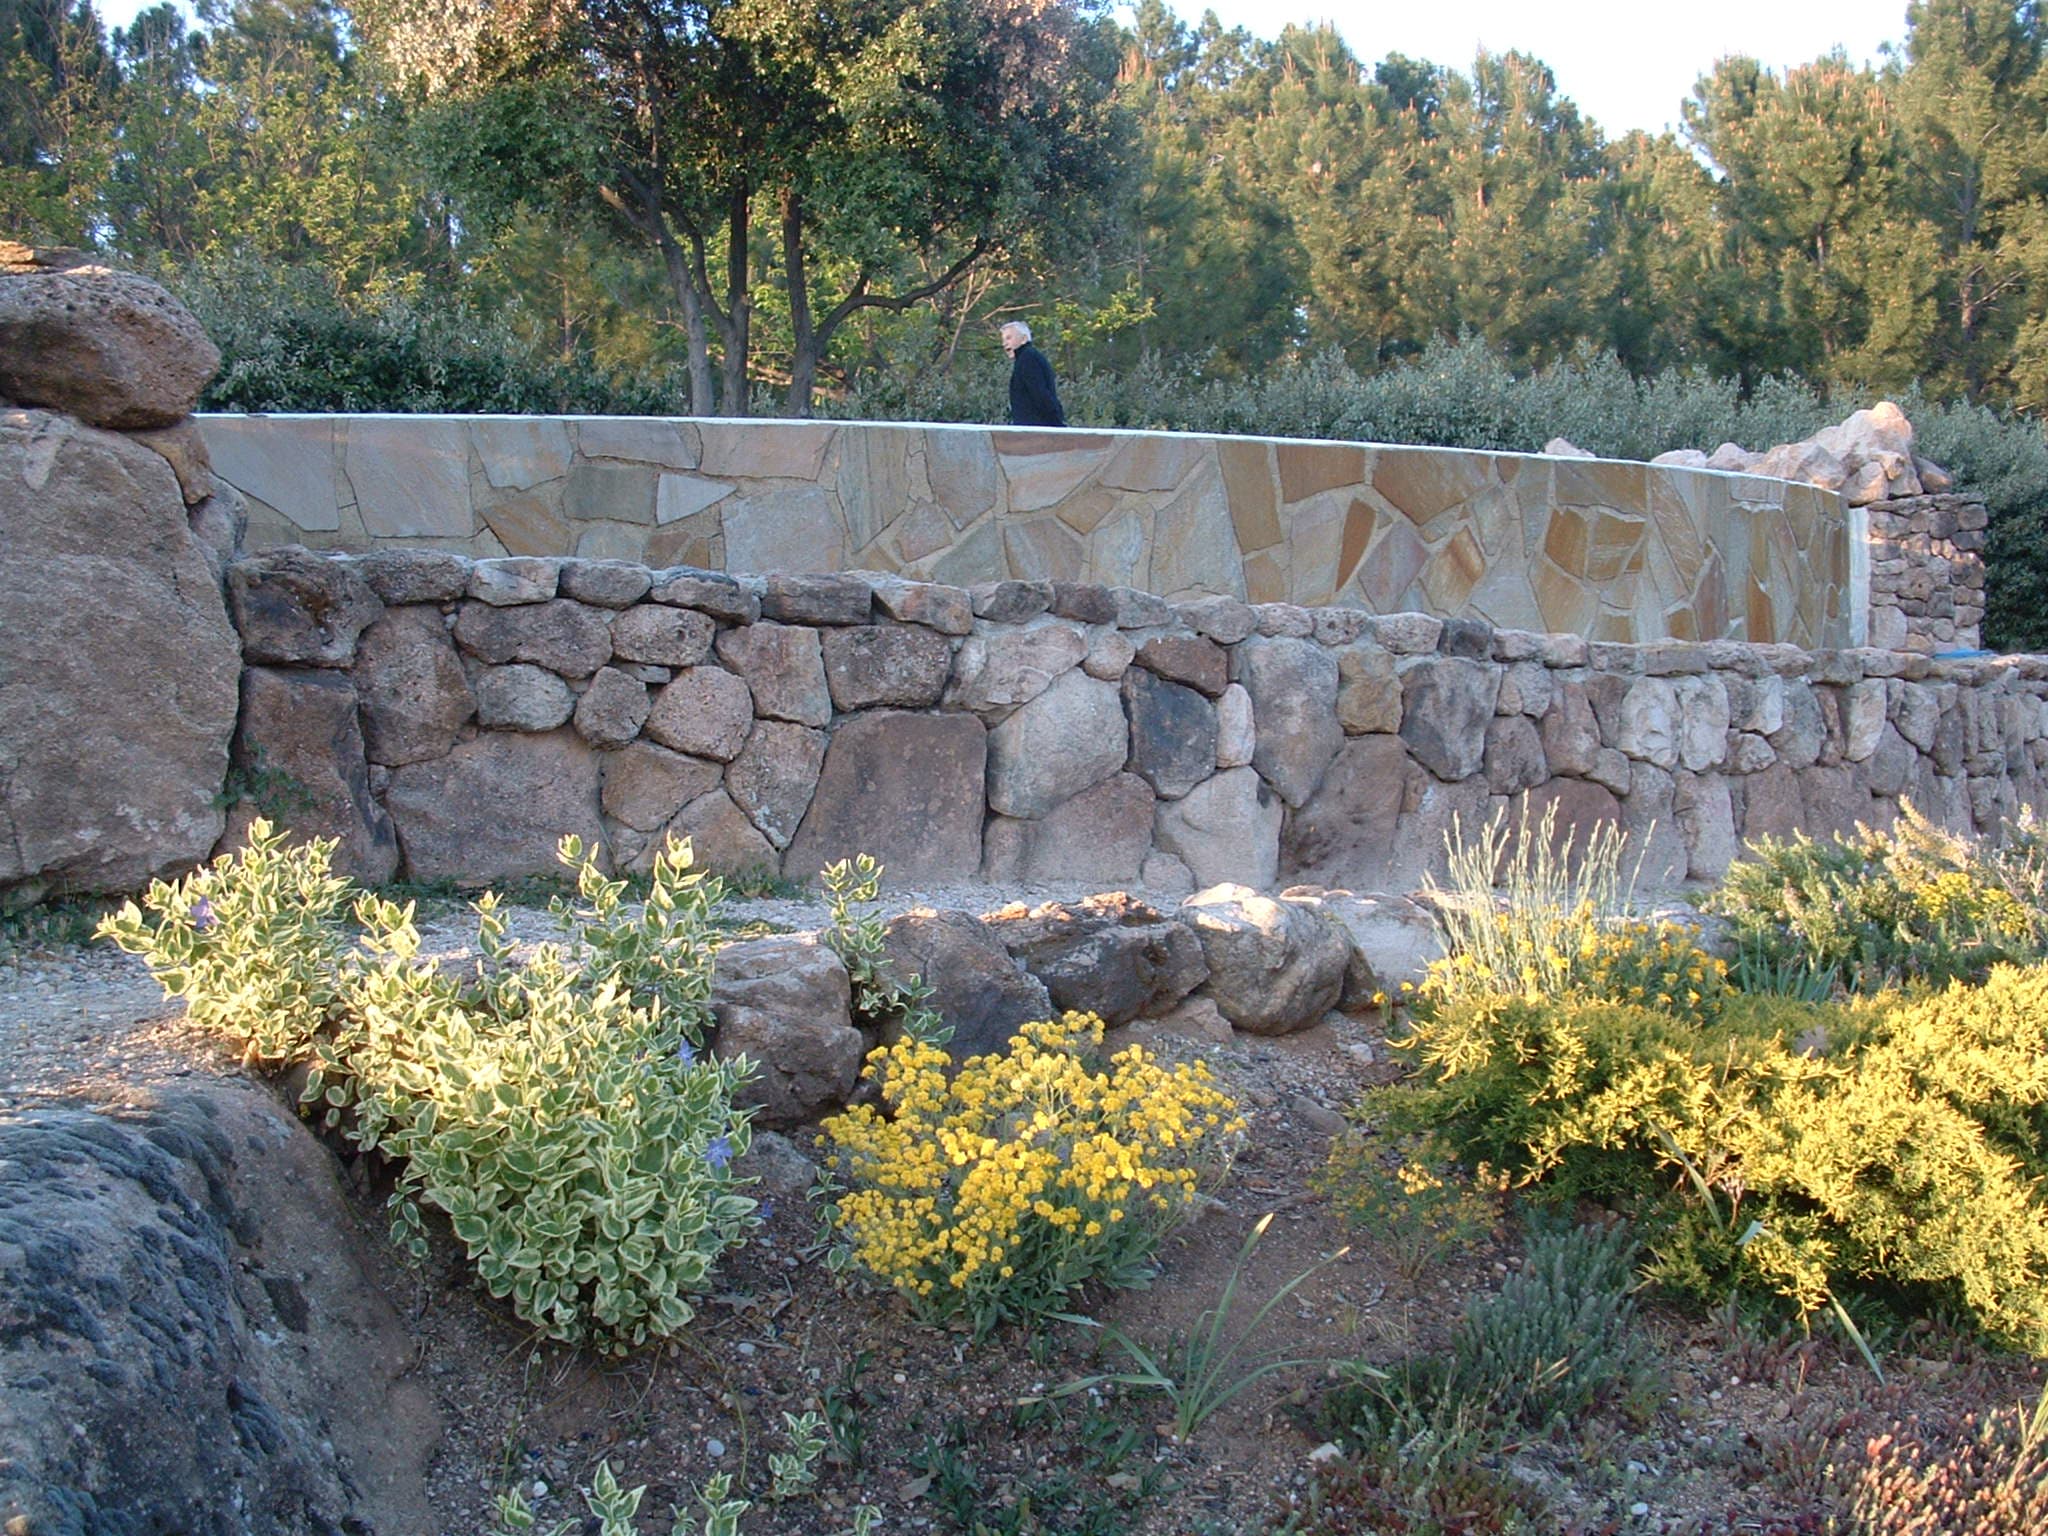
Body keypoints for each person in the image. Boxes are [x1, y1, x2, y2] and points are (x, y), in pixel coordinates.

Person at [1002, 320, 1065, 428]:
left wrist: (1057, 424)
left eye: (1009, 338)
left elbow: (1040, 394)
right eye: (1003, 340)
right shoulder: (1027, 357)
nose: (1004, 343)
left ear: (1024, 339)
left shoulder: (1028, 358)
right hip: (1034, 428)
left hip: (1037, 428)